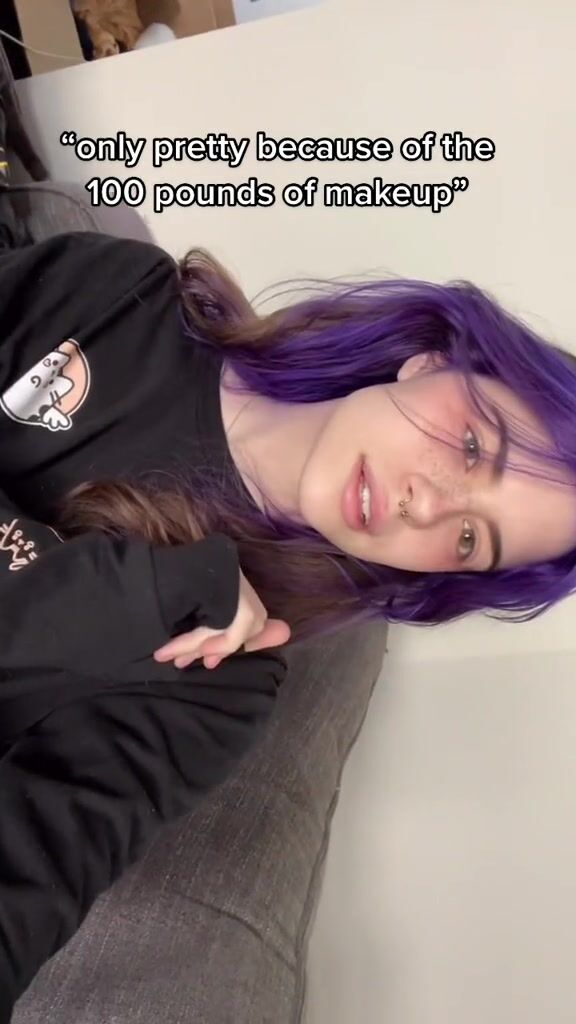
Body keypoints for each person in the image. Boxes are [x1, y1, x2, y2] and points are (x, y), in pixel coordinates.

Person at [0, 230, 574, 1018]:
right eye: (475, 447)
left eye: (471, 539)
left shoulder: (219, 679)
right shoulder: (120, 298)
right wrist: (101, 588)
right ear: (434, 361)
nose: (428, 506)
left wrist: (144, 602)